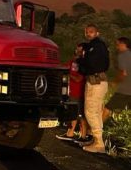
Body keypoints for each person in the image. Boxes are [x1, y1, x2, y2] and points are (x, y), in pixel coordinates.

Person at [79, 24, 110, 153]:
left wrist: (81, 59)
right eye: (87, 32)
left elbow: (90, 64)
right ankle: (97, 140)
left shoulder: (96, 47)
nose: (88, 34)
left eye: (91, 32)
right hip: (99, 82)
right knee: (96, 112)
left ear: (97, 33)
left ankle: (99, 144)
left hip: (95, 82)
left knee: (91, 112)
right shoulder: (99, 46)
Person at [56, 42, 89, 141]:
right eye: (77, 50)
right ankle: (73, 134)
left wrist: (68, 74)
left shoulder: (82, 63)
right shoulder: (73, 61)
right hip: (72, 91)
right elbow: (64, 67)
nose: (77, 52)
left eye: (80, 51)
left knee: (77, 114)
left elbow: (78, 78)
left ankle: (80, 135)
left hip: (77, 91)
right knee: (76, 113)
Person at [103, 37, 131, 122]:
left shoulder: (122, 55)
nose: (117, 47)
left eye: (118, 44)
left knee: (107, 108)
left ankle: (95, 132)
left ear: (123, 44)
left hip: (124, 91)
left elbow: (123, 73)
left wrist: (114, 82)